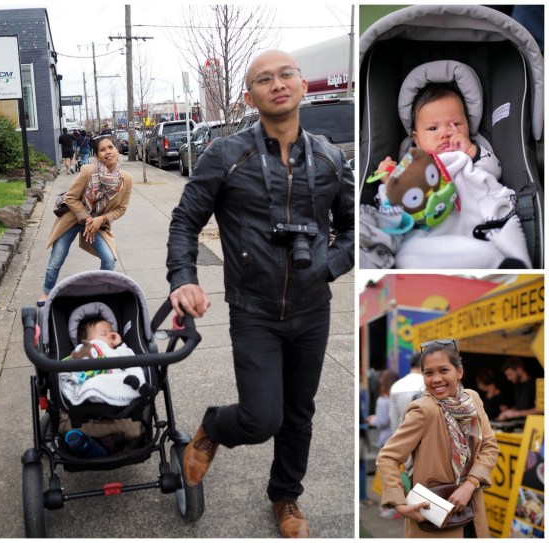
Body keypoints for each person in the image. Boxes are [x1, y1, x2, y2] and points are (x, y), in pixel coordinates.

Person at [166, 49, 354, 538]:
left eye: (286, 74)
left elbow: (356, 230)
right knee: (261, 417)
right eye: (264, 79)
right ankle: (213, 428)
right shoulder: (226, 156)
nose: (278, 84)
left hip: (313, 310)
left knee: (299, 414)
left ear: (303, 85)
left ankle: (285, 496)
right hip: (254, 310)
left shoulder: (331, 158)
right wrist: (183, 277)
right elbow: (185, 220)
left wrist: (329, 266)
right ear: (249, 97)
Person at [376, 338, 499, 538]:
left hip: (472, 510)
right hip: (435, 516)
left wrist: (470, 485)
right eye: (428, 373)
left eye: (443, 370)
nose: (436, 379)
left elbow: (489, 447)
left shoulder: (472, 400)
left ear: (459, 372)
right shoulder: (423, 410)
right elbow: (388, 457)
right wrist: (399, 503)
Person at [36, 135, 133, 306]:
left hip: (97, 225)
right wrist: (87, 218)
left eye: (110, 147)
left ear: (117, 150)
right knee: (56, 259)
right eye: (102, 149)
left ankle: (99, 293)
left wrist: (101, 219)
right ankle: (47, 291)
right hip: (73, 219)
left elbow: (121, 209)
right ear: (97, 155)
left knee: (109, 259)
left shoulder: (126, 179)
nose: (108, 152)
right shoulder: (88, 171)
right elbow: (70, 197)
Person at [374, 83, 501, 181]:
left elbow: (496, 172)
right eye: (433, 128)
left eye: (455, 124)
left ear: (468, 126)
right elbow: (403, 194)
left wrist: (470, 150)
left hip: (473, 204)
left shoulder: (473, 154)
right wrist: (389, 180)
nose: (445, 133)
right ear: (417, 139)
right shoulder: (413, 163)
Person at [368, 369, 400, 519]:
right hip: (397, 439)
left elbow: (382, 421)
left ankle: (390, 507)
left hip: (385, 441)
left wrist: (372, 419)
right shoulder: (397, 397)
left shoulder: (382, 400)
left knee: (386, 477)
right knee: (397, 476)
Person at [389, 352, 425, 434]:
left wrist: (395, 438)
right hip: (423, 435)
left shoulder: (396, 386)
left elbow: (394, 418)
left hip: (402, 435)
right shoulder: (426, 385)